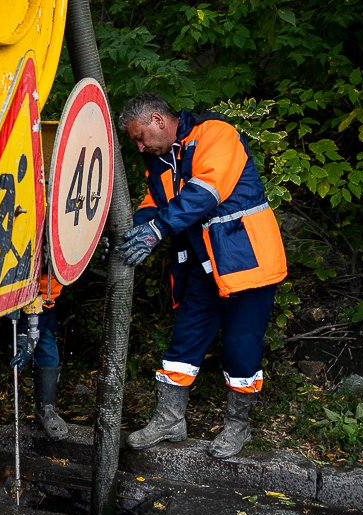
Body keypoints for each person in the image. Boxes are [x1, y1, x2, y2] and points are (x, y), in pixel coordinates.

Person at [114, 92, 287, 459]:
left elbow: (205, 192)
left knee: (242, 349)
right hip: (202, 266)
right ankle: (170, 420)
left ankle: (237, 427)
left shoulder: (216, 134)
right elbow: (153, 203)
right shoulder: (162, 160)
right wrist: (136, 229)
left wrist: (156, 231)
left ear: (159, 120)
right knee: (183, 344)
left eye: (141, 136)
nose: (141, 146)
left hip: (247, 263)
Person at [0, 274, 68, 439]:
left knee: (45, 340)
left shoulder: (50, 259)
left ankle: (46, 407)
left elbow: (49, 288)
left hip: (37, 291)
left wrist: (27, 335)